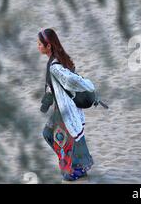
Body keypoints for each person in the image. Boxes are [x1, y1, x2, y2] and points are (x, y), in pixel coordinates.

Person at [37, 28, 95, 181]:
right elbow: (52, 87)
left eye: (40, 44)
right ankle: (78, 164)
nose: (38, 47)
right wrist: (46, 103)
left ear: (48, 46)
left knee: (69, 135)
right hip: (60, 108)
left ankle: (79, 167)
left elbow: (71, 80)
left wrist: (88, 87)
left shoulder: (55, 66)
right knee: (54, 134)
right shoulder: (56, 60)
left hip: (66, 108)